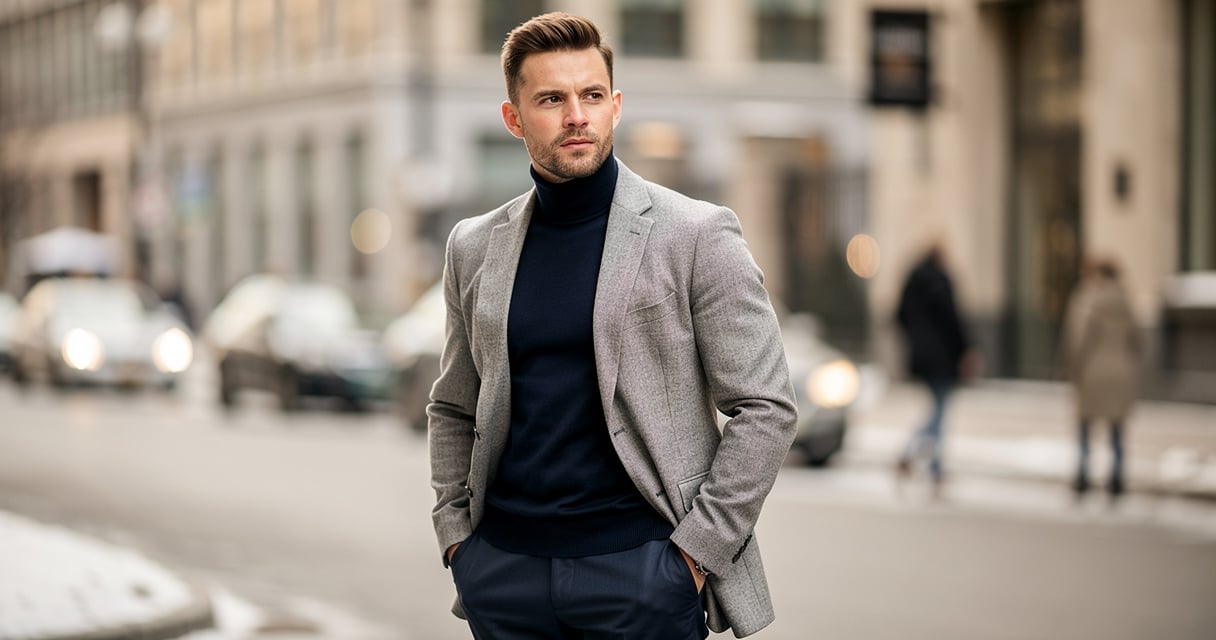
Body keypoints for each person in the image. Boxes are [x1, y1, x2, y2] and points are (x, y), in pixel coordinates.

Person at [426, 12, 797, 639]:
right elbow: (453, 405)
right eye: (551, 99)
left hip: (643, 575)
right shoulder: (473, 246)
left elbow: (767, 406)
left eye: (591, 95)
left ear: (615, 106)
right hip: (506, 578)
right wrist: (458, 539)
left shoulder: (697, 235)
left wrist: (693, 558)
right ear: (514, 118)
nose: (576, 115)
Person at [894, 243, 975, 489]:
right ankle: (928, 463)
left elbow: (898, 315)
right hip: (942, 359)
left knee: (937, 410)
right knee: (939, 411)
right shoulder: (941, 282)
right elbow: (953, 322)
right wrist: (965, 351)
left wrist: (916, 340)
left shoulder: (913, 281)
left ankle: (919, 459)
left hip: (923, 358)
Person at [1060, 256, 1140, 497]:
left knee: (1085, 425)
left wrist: (1071, 370)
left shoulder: (1086, 299)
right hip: (1121, 372)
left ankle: (1083, 475)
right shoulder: (1126, 300)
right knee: (1116, 427)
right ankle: (1117, 477)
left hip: (1092, 372)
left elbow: (1077, 340)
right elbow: (1137, 340)